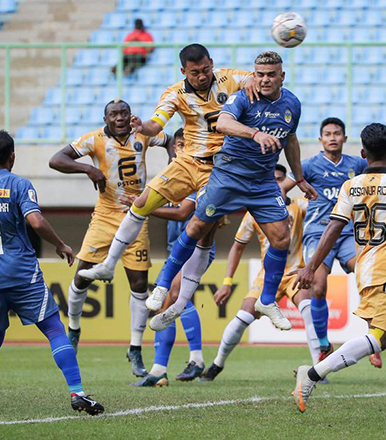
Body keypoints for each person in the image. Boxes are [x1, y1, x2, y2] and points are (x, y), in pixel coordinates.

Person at [78, 44, 261, 325]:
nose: (202, 76)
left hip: (222, 169)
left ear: (212, 63)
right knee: (141, 203)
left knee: (202, 232)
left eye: (205, 69)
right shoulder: (175, 93)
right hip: (188, 162)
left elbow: (255, 78)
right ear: (183, 71)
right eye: (195, 72)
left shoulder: (229, 78)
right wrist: (142, 126)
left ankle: (179, 303)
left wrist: (255, 83)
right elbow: (156, 124)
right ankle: (107, 265)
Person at [145, 51, 316, 333]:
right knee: (197, 227)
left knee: (282, 237)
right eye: (259, 74)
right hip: (229, 175)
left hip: (262, 182)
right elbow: (223, 123)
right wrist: (255, 133)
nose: (264, 80)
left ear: (281, 77)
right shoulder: (242, 97)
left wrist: (299, 177)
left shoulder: (292, 104)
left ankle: (267, 300)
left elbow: (291, 139)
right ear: (254, 74)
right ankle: (163, 285)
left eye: (271, 74)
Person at [0, 130, 103, 416]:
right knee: (54, 329)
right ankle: (77, 393)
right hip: (22, 274)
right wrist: (61, 244)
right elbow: (36, 221)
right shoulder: (19, 184)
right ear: (12, 156)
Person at [292, 123, 386, 423]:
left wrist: (311, 266)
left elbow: (333, 228)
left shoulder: (352, 186)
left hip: (365, 267)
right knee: (380, 337)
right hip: (384, 270)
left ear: (363, 153)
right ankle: (309, 375)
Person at [48, 99, 174, 378]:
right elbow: (56, 159)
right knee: (81, 275)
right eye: (114, 114)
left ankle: (135, 348)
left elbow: (170, 139)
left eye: (124, 113)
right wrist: (88, 169)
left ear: (130, 115)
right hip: (105, 215)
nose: (120, 118)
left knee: (140, 284)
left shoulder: (142, 133)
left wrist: (172, 159)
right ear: (105, 118)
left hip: (136, 214)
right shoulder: (94, 140)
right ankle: (74, 328)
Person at [200, 164, 320, 382]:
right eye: (271, 179)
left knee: (308, 309)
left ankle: (317, 369)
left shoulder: (301, 206)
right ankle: (217, 364)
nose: (276, 184)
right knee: (244, 315)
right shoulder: (253, 213)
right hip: (267, 275)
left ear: (287, 183)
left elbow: (320, 225)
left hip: (294, 273)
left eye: (280, 180)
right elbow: (237, 246)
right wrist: (227, 281)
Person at [126, 129, 211, 386]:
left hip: (195, 248)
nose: (180, 148)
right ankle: (179, 364)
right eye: (178, 144)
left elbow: (183, 212)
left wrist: (145, 208)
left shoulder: (200, 175)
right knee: (173, 302)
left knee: (172, 299)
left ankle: (166, 368)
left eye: (186, 144)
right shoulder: (175, 174)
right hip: (178, 249)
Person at [280, 117, 367, 363]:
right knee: (317, 287)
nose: (332, 137)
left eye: (337, 133)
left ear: (344, 138)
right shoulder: (308, 166)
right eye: (327, 134)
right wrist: (282, 211)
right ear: (320, 139)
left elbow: (377, 176)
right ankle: (322, 344)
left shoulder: (356, 165)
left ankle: (375, 335)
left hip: (347, 232)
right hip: (318, 233)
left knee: (365, 272)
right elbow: (282, 188)